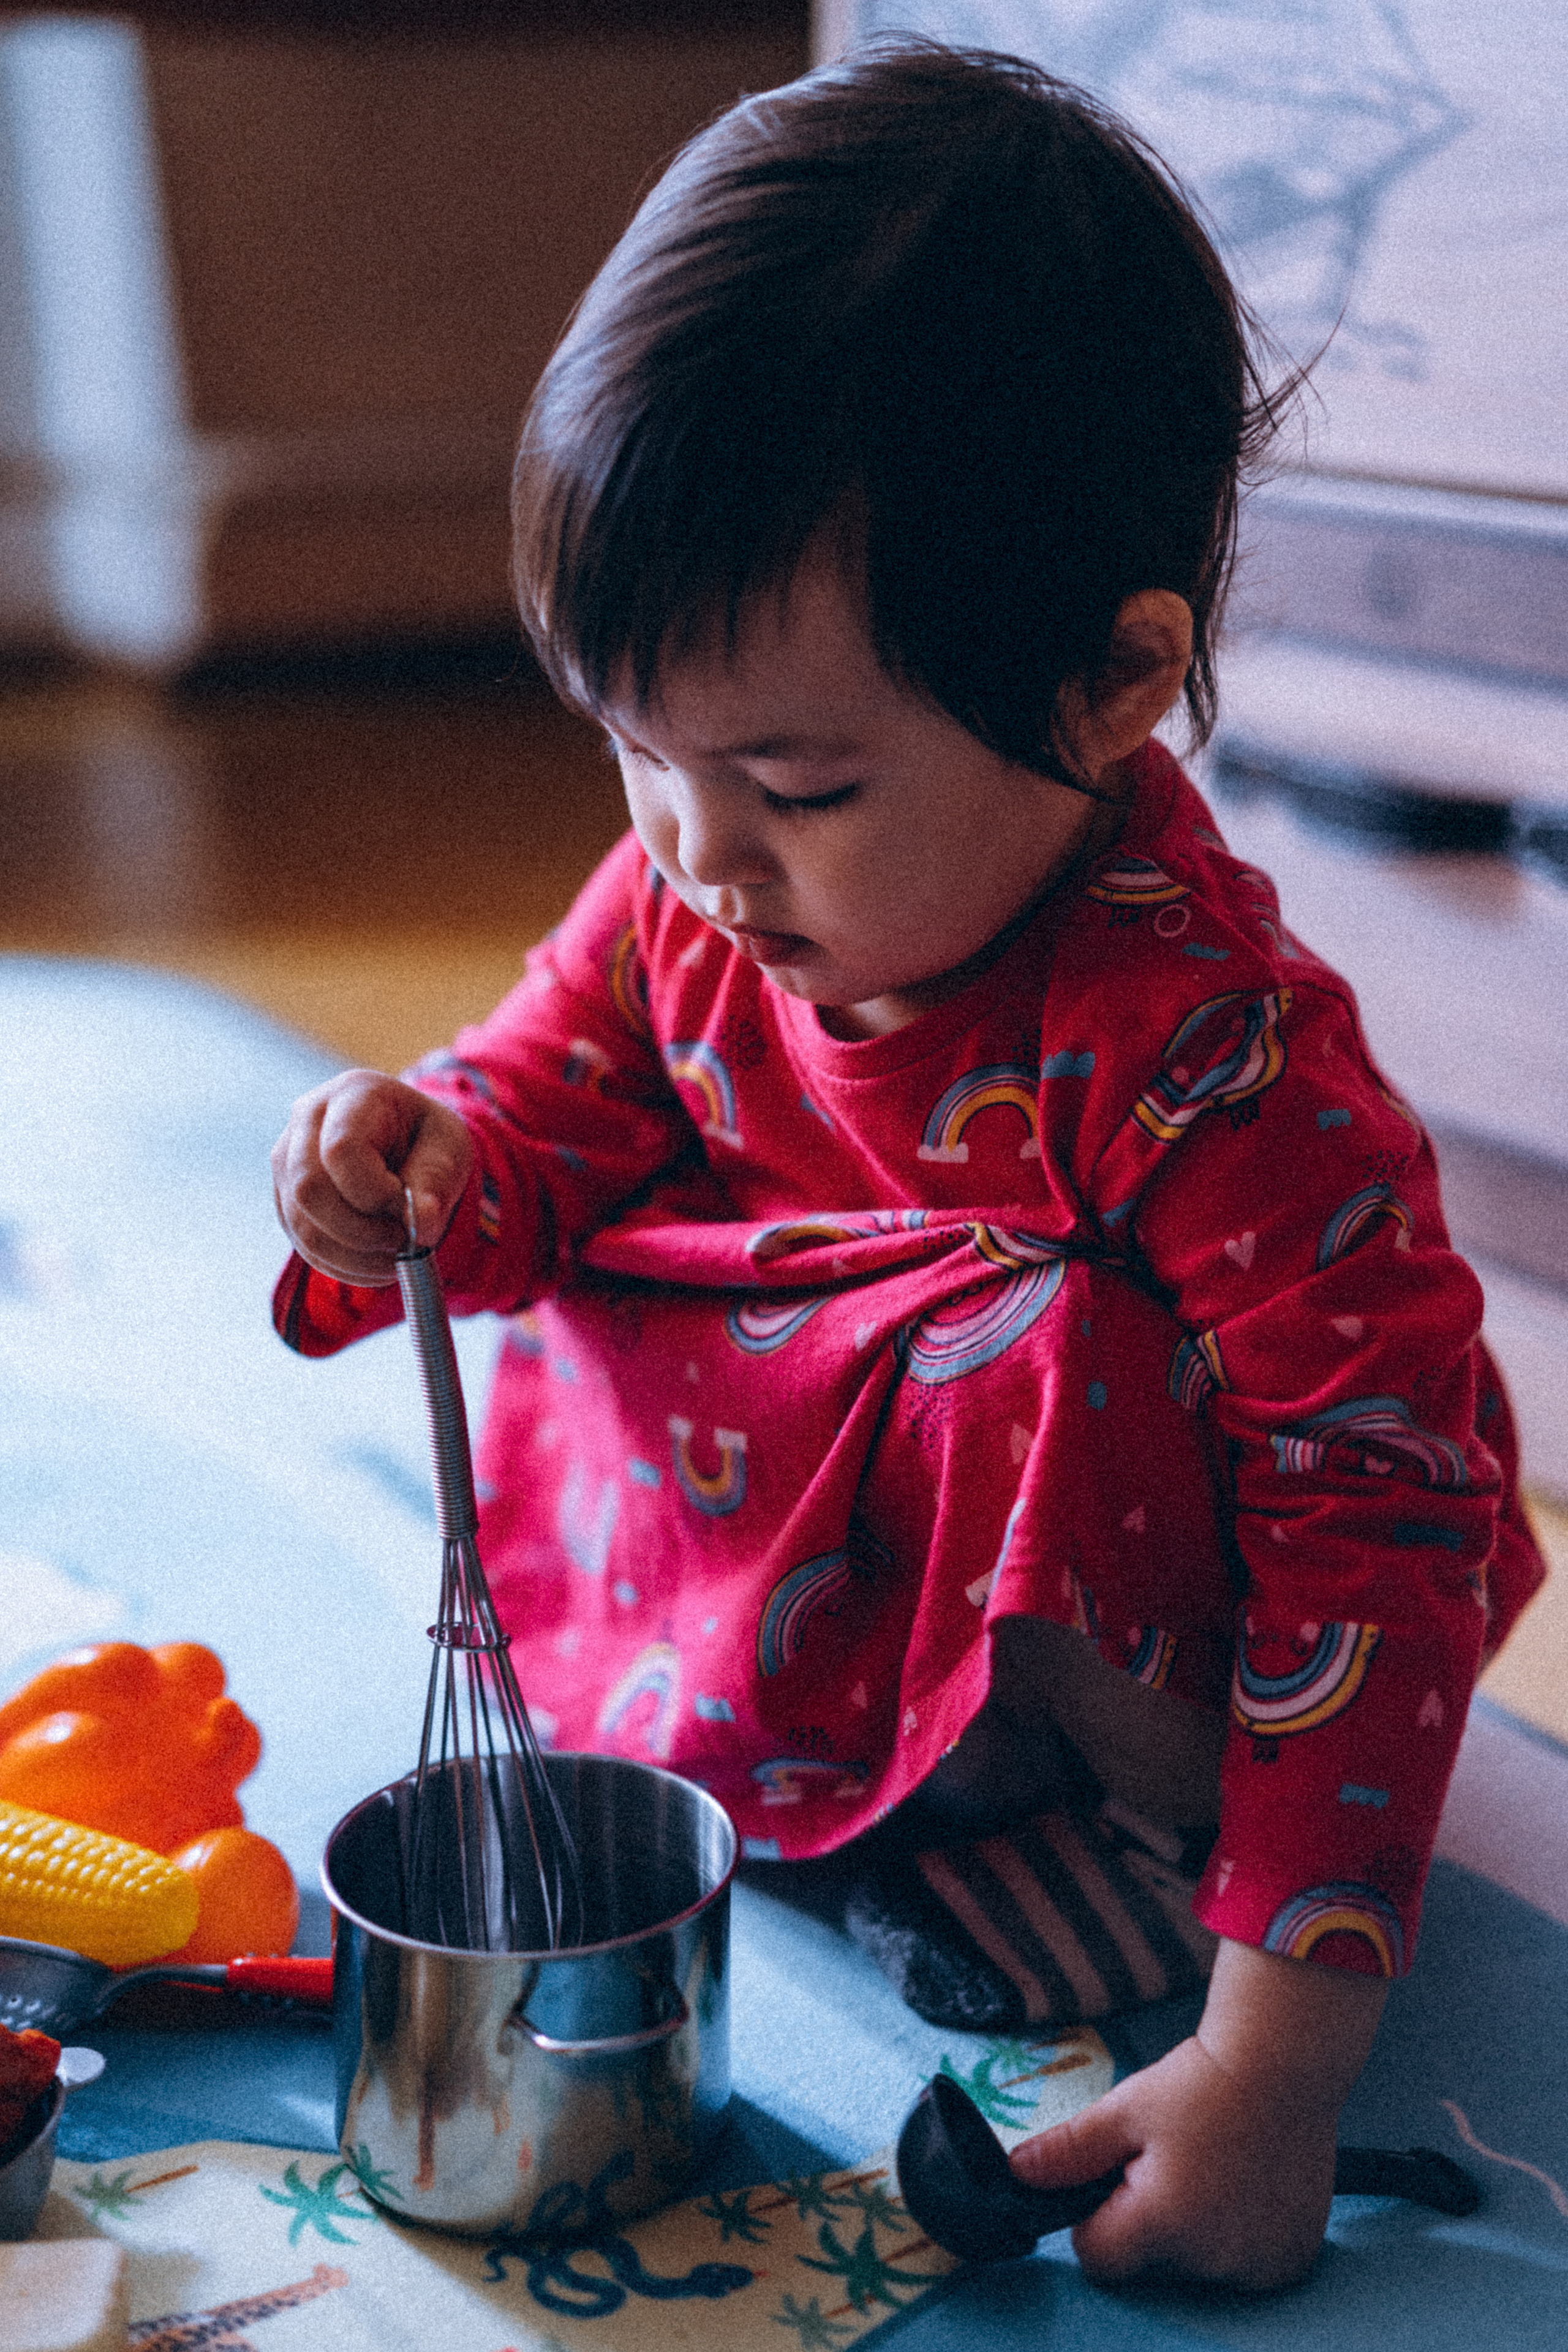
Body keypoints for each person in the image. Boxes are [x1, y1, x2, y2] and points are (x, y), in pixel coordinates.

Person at [270, 43, 1544, 2291]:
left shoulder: (1221, 1056)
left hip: (1083, 1663)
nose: (693, 851)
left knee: (1031, 1340)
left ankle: (1091, 1845)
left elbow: (1384, 1516)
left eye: (795, 780)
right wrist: (420, 1163)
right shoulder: (699, 867)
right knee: (619, 1239)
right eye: (633, 748)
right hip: (769, 1550)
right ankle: (806, 1765)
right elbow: (548, 1094)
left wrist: (1274, 2067)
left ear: (1115, 683)